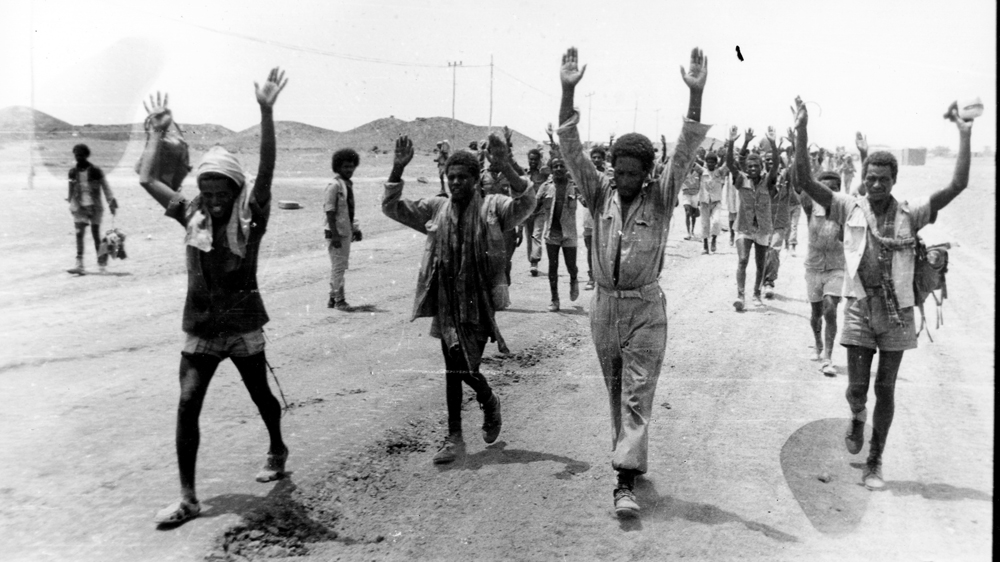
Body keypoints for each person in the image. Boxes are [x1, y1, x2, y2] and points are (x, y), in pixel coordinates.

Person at [792, 95, 973, 490]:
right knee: (858, 388)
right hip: (859, 307)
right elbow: (804, 181)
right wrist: (802, 131)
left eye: (883, 179)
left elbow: (958, 184)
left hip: (898, 314)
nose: (875, 184)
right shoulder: (847, 207)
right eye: (870, 178)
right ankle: (857, 415)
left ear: (894, 181)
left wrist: (964, 133)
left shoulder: (913, 213)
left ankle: (875, 460)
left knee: (885, 388)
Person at [558, 46, 709, 518]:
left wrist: (695, 98)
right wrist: (567, 90)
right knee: (616, 389)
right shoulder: (598, 191)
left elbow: (684, 154)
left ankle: (623, 483)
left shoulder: (661, 199)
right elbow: (571, 151)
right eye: (618, 171)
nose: (623, 179)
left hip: (645, 310)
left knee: (638, 395)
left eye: (632, 173)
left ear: (647, 175)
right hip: (604, 307)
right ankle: (630, 462)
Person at [137, 70, 290, 527]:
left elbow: (267, 169)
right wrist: (156, 133)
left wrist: (265, 111)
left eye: (221, 192)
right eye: (207, 191)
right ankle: (188, 498)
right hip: (202, 326)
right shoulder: (191, 214)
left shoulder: (252, 218)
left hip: (243, 324)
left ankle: (277, 447)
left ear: (236, 191)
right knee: (187, 401)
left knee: (260, 393)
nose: (213, 200)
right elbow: (147, 177)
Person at [382, 135, 535, 464]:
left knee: (465, 367)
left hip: (479, 305)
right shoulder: (437, 209)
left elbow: (526, 205)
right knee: (453, 368)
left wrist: (506, 165)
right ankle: (454, 437)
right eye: (450, 177)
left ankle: (488, 398)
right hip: (447, 303)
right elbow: (392, 207)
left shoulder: (493, 208)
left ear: (475, 177)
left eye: (462, 177)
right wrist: (397, 167)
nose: (454, 182)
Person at [797, 169, 846, 376]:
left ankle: (828, 356)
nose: (828, 192)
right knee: (816, 313)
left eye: (833, 188)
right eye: (824, 188)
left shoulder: (845, 210)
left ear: (839, 190)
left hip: (836, 267)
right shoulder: (810, 207)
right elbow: (799, 182)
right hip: (814, 267)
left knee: (830, 309)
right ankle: (818, 344)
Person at [726, 125, 779, 311]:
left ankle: (756, 293)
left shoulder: (767, 181)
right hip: (744, 227)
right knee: (742, 260)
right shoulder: (741, 180)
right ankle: (740, 295)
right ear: (746, 168)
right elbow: (732, 164)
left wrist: (773, 143)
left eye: (756, 166)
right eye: (750, 166)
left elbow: (777, 166)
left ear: (761, 167)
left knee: (760, 264)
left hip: (763, 228)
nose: (753, 168)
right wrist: (735, 141)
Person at [535, 155, 580, 311]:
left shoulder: (574, 186)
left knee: (571, 266)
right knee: (552, 267)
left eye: (562, 165)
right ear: (551, 169)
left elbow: (588, 202)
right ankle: (555, 299)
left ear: (567, 168)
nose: (559, 169)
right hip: (552, 233)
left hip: (569, 234)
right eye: (556, 166)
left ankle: (574, 279)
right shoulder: (545, 187)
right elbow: (534, 205)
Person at [66, 144, 118, 274]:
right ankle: (79, 264)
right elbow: (70, 189)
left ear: (86, 155)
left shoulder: (96, 171)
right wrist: (70, 202)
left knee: (96, 235)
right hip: (79, 207)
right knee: (79, 234)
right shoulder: (72, 172)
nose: (78, 158)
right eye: (76, 155)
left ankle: (101, 263)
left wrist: (111, 202)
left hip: (95, 207)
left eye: (81, 155)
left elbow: (105, 187)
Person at [324, 148, 363, 310]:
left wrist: (355, 228)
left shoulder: (347, 185)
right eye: (346, 166)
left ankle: (335, 298)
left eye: (351, 166)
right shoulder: (333, 186)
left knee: (340, 266)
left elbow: (349, 210)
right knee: (339, 267)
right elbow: (330, 211)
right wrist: (335, 236)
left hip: (345, 231)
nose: (349, 170)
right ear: (337, 167)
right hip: (336, 233)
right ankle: (337, 299)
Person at [761, 142, 793, 299]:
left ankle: (769, 282)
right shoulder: (759, 177)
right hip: (762, 222)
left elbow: (795, 169)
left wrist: (793, 144)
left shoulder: (786, 177)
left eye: (773, 160)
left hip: (779, 222)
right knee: (763, 253)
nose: (770, 162)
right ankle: (762, 279)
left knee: (774, 250)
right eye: (767, 160)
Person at [583, 145, 614, 289]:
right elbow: (579, 191)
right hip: (590, 216)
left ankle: (605, 277)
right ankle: (591, 277)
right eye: (593, 157)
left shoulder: (609, 174)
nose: (596, 160)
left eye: (599, 157)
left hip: (606, 216)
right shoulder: (587, 175)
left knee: (606, 248)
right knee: (590, 248)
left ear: (603, 159)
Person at [524, 147, 550, 276]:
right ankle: (531, 261)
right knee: (529, 236)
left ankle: (534, 262)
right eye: (531, 159)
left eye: (535, 159)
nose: (532, 161)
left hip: (540, 209)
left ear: (539, 160)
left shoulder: (544, 173)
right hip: (527, 210)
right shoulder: (524, 173)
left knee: (537, 234)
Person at [696, 150, 726, 254]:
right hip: (704, 202)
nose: (710, 164)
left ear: (716, 163)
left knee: (716, 222)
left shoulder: (719, 172)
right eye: (708, 162)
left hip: (716, 202)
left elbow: (728, 163)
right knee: (705, 224)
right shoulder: (702, 171)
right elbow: (693, 163)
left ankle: (713, 239)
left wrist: (726, 153)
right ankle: (705, 245)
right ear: (706, 162)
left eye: (712, 162)